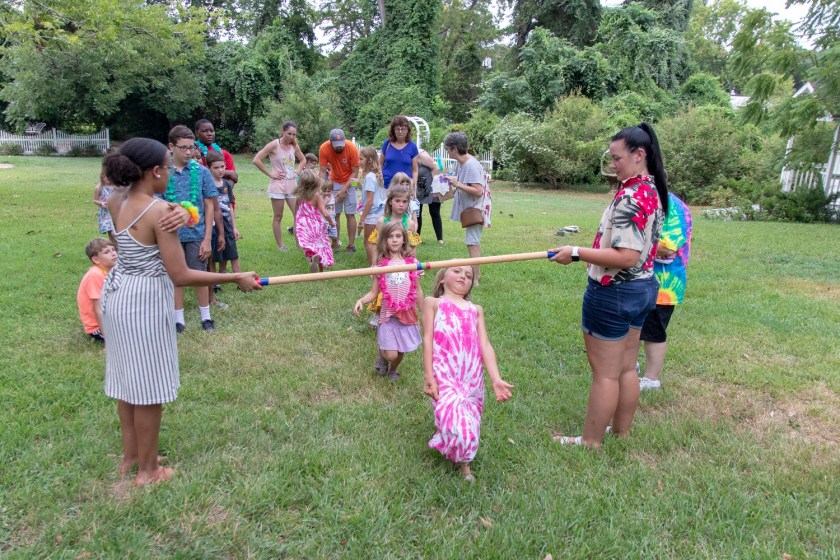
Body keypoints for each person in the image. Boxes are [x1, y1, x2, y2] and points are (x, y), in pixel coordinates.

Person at [101, 137, 260, 486]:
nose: (171, 176)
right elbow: (181, 275)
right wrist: (235, 276)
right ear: (156, 171)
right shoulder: (158, 212)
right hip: (143, 301)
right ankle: (148, 471)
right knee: (148, 388)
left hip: (116, 294)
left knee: (127, 381)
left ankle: (132, 457)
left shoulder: (115, 198)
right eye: (166, 170)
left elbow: (133, 235)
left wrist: (177, 211)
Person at [549, 123, 668, 448]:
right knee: (626, 367)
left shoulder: (631, 196)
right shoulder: (651, 189)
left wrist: (575, 252)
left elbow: (626, 256)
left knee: (605, 373)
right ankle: (621, 432)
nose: (612, 165)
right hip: (642, 289)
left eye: (617, 158)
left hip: (614, 293)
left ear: (639, 155)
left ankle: (590, 441)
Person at [422, 266, 514, 482]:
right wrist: (428, 376)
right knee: (453, 420)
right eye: (457, 271)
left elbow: (485, 344)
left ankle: (464, 463)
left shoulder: (476, 310)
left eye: (469, 275)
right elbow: (427, 339)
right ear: (442, 278)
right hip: (445, 374)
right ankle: (453, 446)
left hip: (471, 377)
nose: (463, 276)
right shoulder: (433, 303)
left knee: (469, 423)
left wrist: (496, 378)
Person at [163, 125, 222, 333]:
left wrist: (207, 238)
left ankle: (206, 317)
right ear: (171, 147)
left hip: (197, 233)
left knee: (198, 274)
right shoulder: (162, 172)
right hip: (170, 234)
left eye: (191, 148)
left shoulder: (202, 171)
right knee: (175, 276)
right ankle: (178, 320)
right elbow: (156, 202)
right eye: (184, 148)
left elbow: (209, 205)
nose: (189, 152)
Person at [353, 222, 423, 381]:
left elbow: (418, 290)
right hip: (388, 315)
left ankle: (393, 369)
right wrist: (361, 300)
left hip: (406, 314)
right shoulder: (381, 266)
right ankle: (383, 354)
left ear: (404, 239)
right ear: (384, 240)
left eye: (398, 236)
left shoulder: (411, 263)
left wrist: (423, 310)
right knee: (391, 354)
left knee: (401, 350)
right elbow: (374, 292)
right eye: (390, 237)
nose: (395, 240)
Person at [639, 192, 692, 390]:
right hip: (640, 280)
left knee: (653, 332)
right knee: (632, 327)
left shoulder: (672, 206)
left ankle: (651, 379)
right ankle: (629, 365)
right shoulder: (645, 198)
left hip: (663, 284)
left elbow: (667, 246)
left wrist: (631, 244)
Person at [439, 132, 488, 284]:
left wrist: (457, 184)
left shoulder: (471, 165)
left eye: (447, 148)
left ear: (454, 149)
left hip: (475, 209)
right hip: (470, 208)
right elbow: (459, 186)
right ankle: (476, 275)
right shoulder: (460, 164)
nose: (447, 151)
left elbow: (478, 191)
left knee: (472, 242)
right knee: (472, 241)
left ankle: (475, 278)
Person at [252, 121, 306, 251]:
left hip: (291, 185)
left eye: (294, 134)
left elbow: (303, 160)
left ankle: (299, 244)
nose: (291, 137)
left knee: (298, 214)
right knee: (278, 216)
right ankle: (280, 245)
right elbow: (256, 160)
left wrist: (297, 172)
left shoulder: (294, 145)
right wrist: (271, 174)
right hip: (277, 186)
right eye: (289, 133)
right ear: (282, 131)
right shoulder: (274, 145)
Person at [319, 129, 360, 253]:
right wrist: (322, 190)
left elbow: (355, 172)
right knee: (334, 213)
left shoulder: (352, 148)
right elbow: (322, 171)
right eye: (336, 145)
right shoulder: (324, 148)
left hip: (351, 181)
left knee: (350, 214)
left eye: (341, 145)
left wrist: (345, 189)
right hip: (334, 181)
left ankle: (351, 245)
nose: (339, 148)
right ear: (330, 142)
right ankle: (335, 243)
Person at [207, 151, 241, 277]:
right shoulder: (207, 185)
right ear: (209, 168)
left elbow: (230, 206)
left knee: (232, 253)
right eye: (216, 168)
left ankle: (238, 279)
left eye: (222, 166)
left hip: (227, 224)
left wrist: (234, 227)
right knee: (213, 254)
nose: (220, 170)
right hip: (213, 225)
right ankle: (214, 280)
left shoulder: (227, 184)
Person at [77, 238, 118, 344]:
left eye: (113, 249)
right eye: (107, 252)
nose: (113, 253)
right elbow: (98, 308)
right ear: (96, 260)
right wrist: (108, 337)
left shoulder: (111, 271)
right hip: (97, 327)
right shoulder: (95, 275)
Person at [294, 170, 335, 273]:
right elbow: (325, 213)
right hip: (316, 225)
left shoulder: (299, 197)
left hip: (303, 225)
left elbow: (296, 212)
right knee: (320, 245)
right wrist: (331, 222)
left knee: (308, 246)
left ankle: (313, 259)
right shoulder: (316, 197)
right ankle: (320, 268)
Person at [356, 146, 386, 266]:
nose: (359, 161)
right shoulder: (376, 175)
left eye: (361, 159)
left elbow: (370, 201)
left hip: (372, 215)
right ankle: (380, 264)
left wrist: (362, 219)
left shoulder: (369, 177)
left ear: (369, 160)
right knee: (377, 241)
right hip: (380, 212)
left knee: (369, 242)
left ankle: (373, 267)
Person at [379, 115, 419, 190]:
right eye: (397, 129)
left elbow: (415, 170)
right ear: (393, 130)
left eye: (403, 129)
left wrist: (414, 186)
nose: (400, 131)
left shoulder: (412, 146)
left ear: (407, 130)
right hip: (386, 187)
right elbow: (380, 164)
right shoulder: (387, 144)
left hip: (405, 188)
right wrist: (380, 180)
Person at [194, 119, 238, 184]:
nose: (209, 134)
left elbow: (233, 176)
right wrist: (227, 173)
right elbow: (197, 173)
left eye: (212, 131)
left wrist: (224, 188)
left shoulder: (224, 154)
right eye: (204, 131)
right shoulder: (194, 152)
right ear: (197, 133)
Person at [416, 148, 444, 244]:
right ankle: (417, 238)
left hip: (432, 187)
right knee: (417, 213)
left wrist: (437, 187)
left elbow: (436, 167)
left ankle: (440, 239)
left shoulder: (420, 153)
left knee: (435, 212)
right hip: (419, 187)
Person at [94, 169, 117, 245]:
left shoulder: (116, 187)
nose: (109, 179)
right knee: (111, 232)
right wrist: (101, 203)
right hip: (106, 214)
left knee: (117, 230)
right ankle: (114, 246)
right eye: (107, 177)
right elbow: (95, 200)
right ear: (102, 177)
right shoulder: (99, 188)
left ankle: (118, 246)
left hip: (115, 212)